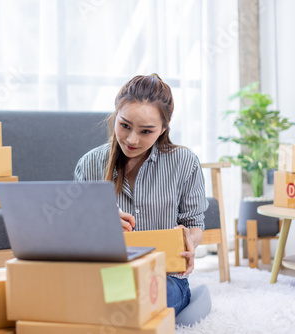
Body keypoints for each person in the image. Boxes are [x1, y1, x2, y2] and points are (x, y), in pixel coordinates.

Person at [74, 74, 211, 323]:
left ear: (163, 130)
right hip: (109, 273)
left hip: (166, 277)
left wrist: (188, 240)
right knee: (72, 296)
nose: (132, 139)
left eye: (146, 131)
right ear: (115, 115)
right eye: (124, 125)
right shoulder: (90, 164)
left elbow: (194, 224)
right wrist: (101, 223)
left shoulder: (185, 162)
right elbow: (77, 232)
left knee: (129, 302)